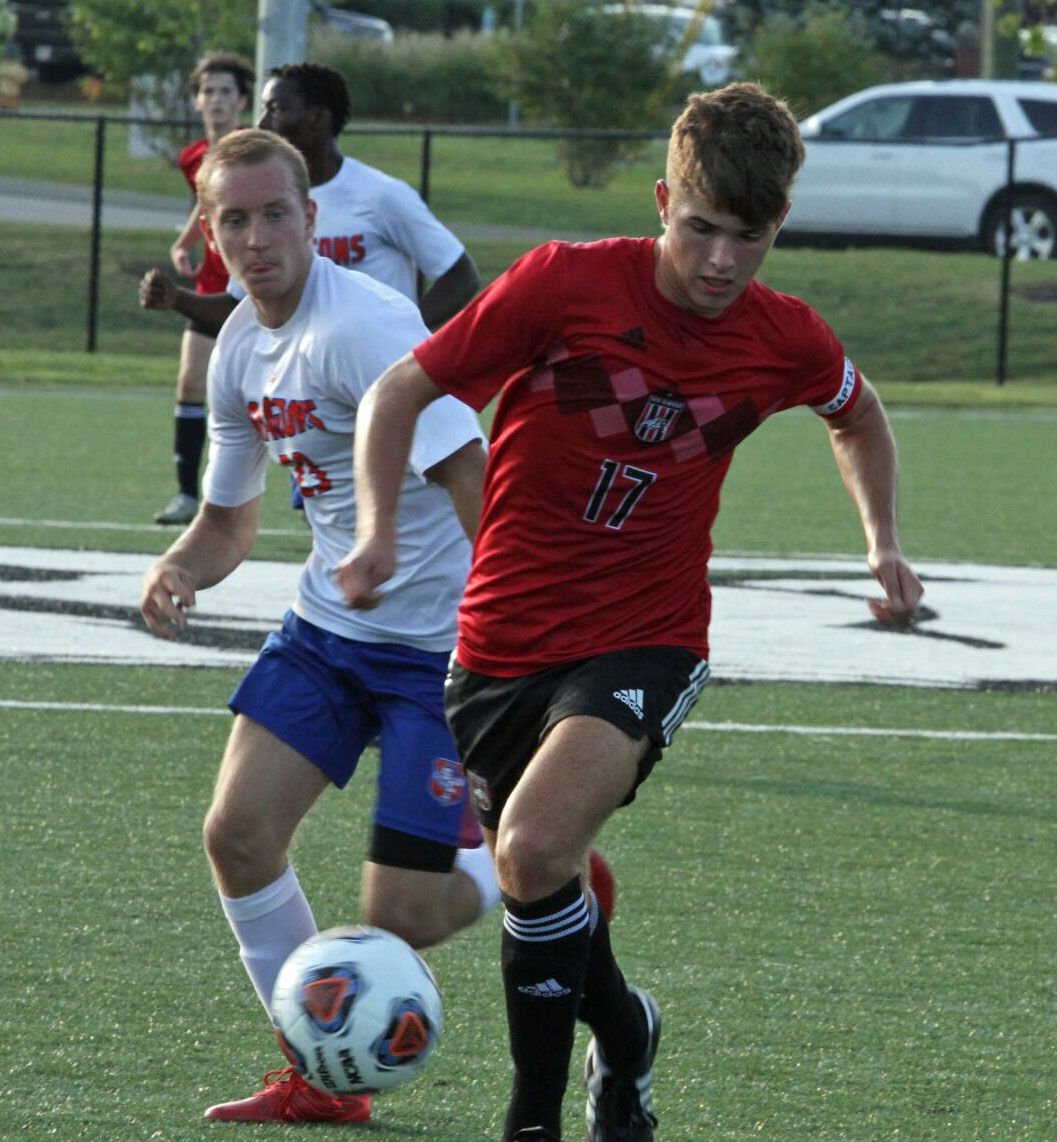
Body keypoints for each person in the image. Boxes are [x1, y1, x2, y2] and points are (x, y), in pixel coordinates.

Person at [337, 82, 925, 1142]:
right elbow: (398, 394)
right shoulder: (564, 285)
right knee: (543, 870)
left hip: (647, 637)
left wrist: (880, 539)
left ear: (775, 227)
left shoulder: (783, 336)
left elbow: (857, 414)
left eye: (747, 238)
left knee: (529, 848)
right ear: (663, 199)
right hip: (498, 647)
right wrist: (378, 528)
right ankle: (627, 1029)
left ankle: (531, 1122)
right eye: (700, 229)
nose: (718, 262)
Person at [139, 128, 498, 1126]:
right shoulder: (238, 351)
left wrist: (504, 658)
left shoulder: (369, 328)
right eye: (234, 220)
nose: (256, 237)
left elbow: (478, 486)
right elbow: (228, 521)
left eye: (274, 214)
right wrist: (180, 566)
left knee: (402, 917)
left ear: (313, 219)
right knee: (238, 833)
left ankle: (527, 862)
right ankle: (316, 1076)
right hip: (328, 630)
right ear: (211, 233)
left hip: (439, 649)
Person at [138, 60, 479, 358]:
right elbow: (240, 309)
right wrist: (176, 299)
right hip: (305, 385)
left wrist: (402, 332)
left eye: (276, 109)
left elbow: (461, 274)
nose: (262, 123)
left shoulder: (381, 195)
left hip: (378, 380)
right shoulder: (270, 203)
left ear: (317, 119)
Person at [153, 51, 255, 526]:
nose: (215, 99)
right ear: (196, 101)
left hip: (252, 290)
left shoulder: (252, 151)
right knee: (191, 381)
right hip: (211, 289)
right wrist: (185, 242)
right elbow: (205, 203)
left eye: (225, 91)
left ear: (242, 100)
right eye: (207, 91)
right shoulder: (193, 156)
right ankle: (187, 496)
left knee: (272, 393)